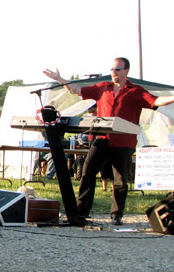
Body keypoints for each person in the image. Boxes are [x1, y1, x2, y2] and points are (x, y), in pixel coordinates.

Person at [43, 57, 174, 225]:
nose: (113, 72)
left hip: (124, 141)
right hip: (103, 139)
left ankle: (116, 214)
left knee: (120, 181)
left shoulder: (136, 91)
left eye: (117, 69)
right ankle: (81, 211)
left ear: (126, 71)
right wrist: (60, 79)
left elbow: (156, 101)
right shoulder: (103, 87)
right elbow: (77, 90)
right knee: (87, 172)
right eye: (112, 69)